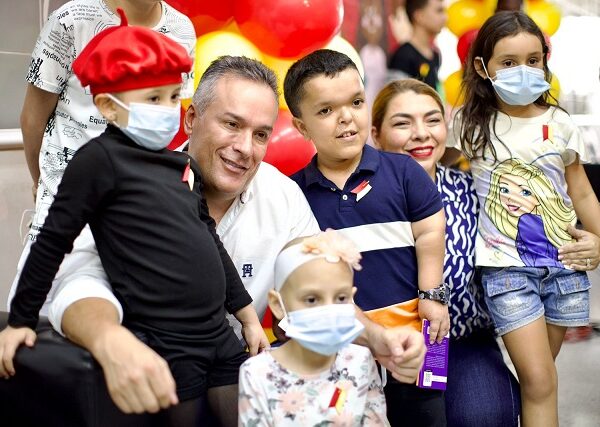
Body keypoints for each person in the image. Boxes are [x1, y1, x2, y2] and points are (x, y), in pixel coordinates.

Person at [10, 54, 427, 418]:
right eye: (231, 124)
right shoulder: (120, 177)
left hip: (234, 379)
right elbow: (73, 278)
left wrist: (381, 340)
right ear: (191, 119)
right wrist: (110, 341)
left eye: (261, 134)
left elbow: (317, 290)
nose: (245, 147)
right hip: (137, 390)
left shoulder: (281, 195)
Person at [0, 13, 265, 427]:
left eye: (172, 97)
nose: (167, 110)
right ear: (109, 105)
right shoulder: (98, 162)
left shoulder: (179, 165)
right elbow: (52, 241)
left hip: (219, 334)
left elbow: (209, 239)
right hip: (170, 342)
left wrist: (246, 316)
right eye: (153, 99)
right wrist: (20, 320)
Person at [446, 11, 600, 427]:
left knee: (540, 380)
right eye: (509, 62)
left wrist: (599, 242)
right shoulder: (470, 124)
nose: (524, 71)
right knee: (540, 380)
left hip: (564, 270)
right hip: (507, 272)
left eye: (533, 60)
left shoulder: (560, 122)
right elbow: (436, 168)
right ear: (483, 67)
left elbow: (581, 191)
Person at [286, 49, 448, 427]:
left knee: (425, 416)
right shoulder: (294, 195)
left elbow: (429, 230)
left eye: (356, 102)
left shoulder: (403, 170)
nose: (346, 117)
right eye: (326, 110)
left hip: (416, 336)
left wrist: (432, 295)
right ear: (301, 127)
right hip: (341, 350)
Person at [11, 0, 196, 329]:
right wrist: (42, 182)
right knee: (39, 328)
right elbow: (32, 118)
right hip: (67, 208)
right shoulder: (72, 19)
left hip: (133, 217)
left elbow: (163, 126)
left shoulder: (182, 29)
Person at [239, 230, 389, 426]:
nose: (328, 310)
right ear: (277, 304)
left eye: (341, 298)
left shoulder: (360, 361)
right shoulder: (257, 373)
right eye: (311, 299)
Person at [388, 0, 446, 91]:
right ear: (419, 16)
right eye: (439, 11)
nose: (445, 17)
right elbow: (395, 96)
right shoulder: (402, 56)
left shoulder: (436, 55)